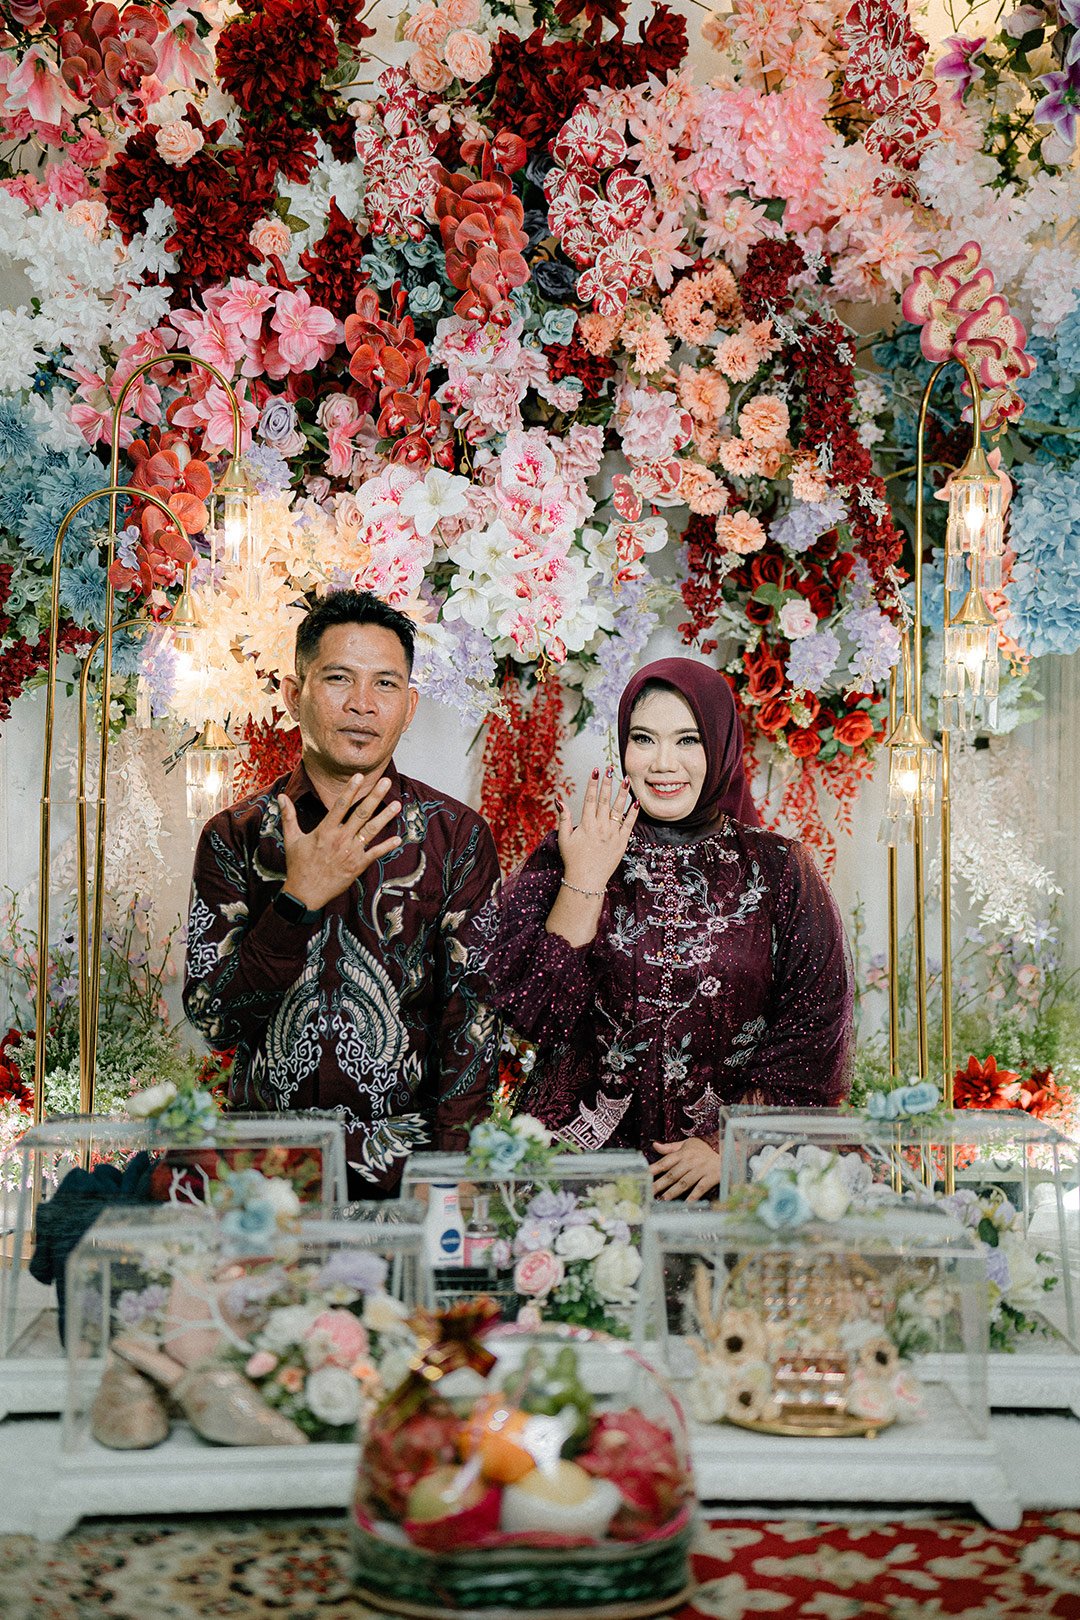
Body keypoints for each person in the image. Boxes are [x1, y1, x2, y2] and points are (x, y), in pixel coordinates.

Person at [485, 656, 853, 1202]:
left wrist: (732, 1142)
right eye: (643, 739)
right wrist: (584, 878)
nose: (662, 764)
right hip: (576, 1175)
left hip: (728, 1180)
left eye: (688, 740)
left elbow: (813, 1028)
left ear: (721, 747)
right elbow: (534, 1016)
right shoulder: (574, 848)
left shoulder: (779, 869)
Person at [183, 589, 500, 1195]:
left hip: (408, 1168)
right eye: (338, 678)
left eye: (385, 684)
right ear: (293, 694)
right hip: (267, 1176)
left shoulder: (456, 837)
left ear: (409, 707)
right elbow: (215, 1021)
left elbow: (473, 1021)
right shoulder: (235, 836)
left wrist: (454, 1173)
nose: (362, 704)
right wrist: (295, 902)